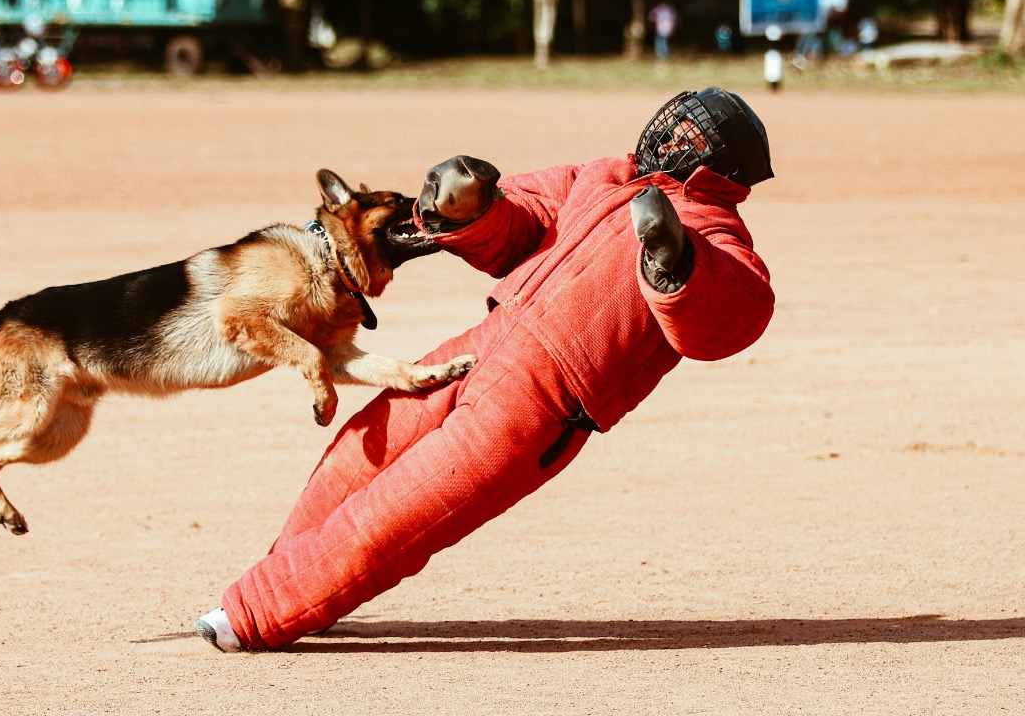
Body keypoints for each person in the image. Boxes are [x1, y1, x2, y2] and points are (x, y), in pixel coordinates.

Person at [194, 87, 777, 652]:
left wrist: (677, 262)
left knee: (396, 514)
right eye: (675, 121)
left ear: (721, 166)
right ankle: (298, 589)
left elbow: (735, 314)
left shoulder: (716, 233)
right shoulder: (607, 174)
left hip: (543, 402)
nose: (669, 136)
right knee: (355, 454)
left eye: (690, 134)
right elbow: (527, 218)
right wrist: (474, 208)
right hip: (482, 344)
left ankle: (254, 615)